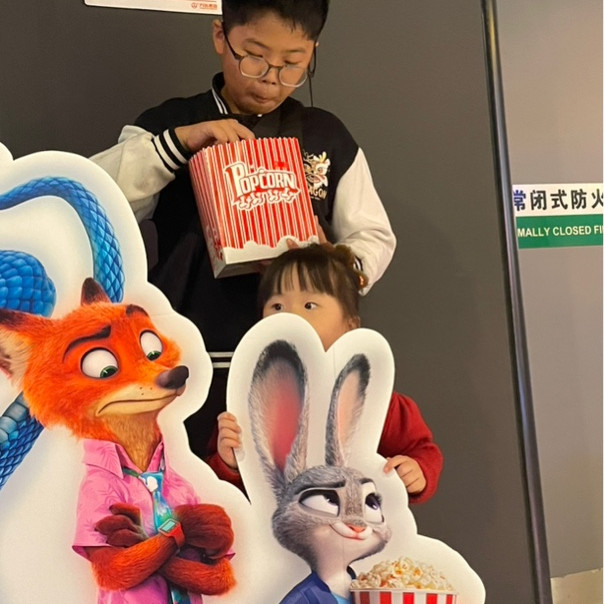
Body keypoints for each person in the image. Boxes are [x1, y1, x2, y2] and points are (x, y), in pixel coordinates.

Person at [91, 0, 396, 462]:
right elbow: (98, 199)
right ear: (221, 36)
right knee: (191, 486)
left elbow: (374, 237)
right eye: (254, 57)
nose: (271, 78)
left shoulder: (324, 135)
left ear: (313, 52)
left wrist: (329, 261)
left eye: (292, 64)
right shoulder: (169, 123)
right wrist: (179, 144)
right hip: (185, 357)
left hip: (300, 366)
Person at [206, 244, 443, 504]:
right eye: (277, 306)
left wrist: (416, 471)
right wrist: (228, 463)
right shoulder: (251, 398)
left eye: (309, 305)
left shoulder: (374, 398)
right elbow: (215, 483)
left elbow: (422, 450)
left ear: (350, 325)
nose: (291, 317)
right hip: (275, 525)